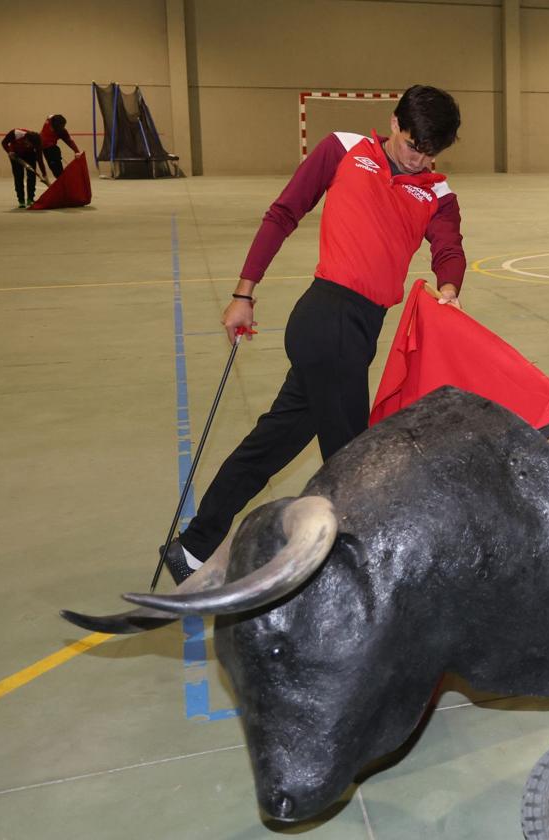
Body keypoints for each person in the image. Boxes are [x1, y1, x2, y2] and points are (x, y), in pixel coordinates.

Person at [162, 85, 465, 584]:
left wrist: (450, 288)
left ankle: (192, 548)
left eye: (430, 152)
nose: (419, 159)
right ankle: (360, 579)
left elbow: (448, 249)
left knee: (270, 445)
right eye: (414, 145)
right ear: (394, 123)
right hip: (326, 319)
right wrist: (244, 294)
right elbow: (284, 213)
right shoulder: (342, 149)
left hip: (359, 331)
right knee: (354, 465)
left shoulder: (436, 191)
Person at [1, 128, 47, 209]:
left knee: (31, 176)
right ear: (26, 138)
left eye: (32, 146)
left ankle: (30, 199)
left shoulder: (37, 143)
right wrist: (9, 151)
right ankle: (21, 200)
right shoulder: (16, 133)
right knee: (18, 177)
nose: (29, 146)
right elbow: (4, 143)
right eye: (29, 144)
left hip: (30, 155)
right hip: (15, 155)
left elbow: (40, 159)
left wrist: (44, 174)